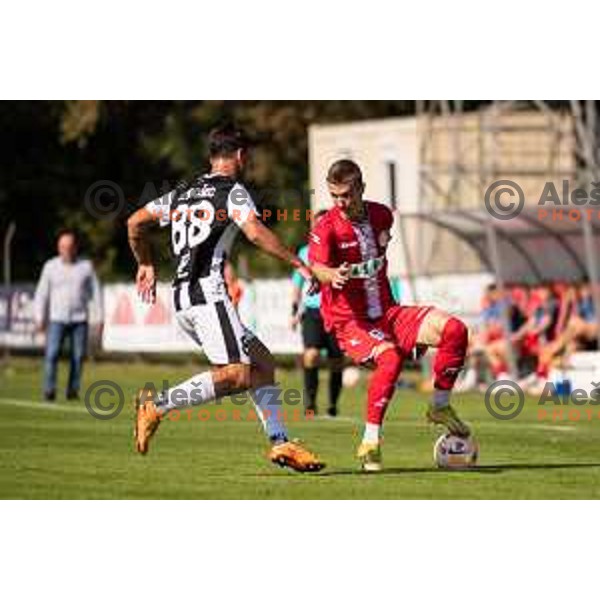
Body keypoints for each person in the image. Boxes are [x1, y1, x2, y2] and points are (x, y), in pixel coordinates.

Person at [127, 123, 324, 472]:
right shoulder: (232, 191)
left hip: (183, 298)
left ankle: (281, 443)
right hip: (209, 296)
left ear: (210, 156)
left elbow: (135, 222)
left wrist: (145, 262)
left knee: (262, 363)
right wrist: (300, 263)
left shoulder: (182, 193)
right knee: (236, 374)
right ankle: (157, 405)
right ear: (240, 155)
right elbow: (255, 232)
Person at [308, 159, 471, 472]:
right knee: (391, 357)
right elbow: (316, 267)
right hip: (350, 321)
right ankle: (371, 441)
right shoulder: (326, 227)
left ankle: (439, 406)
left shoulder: (382, 215)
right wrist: (331, 275)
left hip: (389, 312)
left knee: (454, 330)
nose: (340, 203)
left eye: (347, 195)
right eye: (334, 196)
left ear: (362, 189)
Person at [33, 229, 104, 401]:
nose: (65, 250)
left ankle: (72, 391)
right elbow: (42, 294)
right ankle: (49, 390)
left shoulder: (85, 267)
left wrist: (99, 318)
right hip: (57, 319)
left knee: (78, 356)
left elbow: (96, 293)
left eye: (69, 246)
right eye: (62, 246)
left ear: (75, 248)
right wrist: (38, 317)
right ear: (58, 248)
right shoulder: (50, 266)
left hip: (79, 319)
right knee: (52, 354)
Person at [290, 210, 344, 417]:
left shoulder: (340, 250)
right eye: (318, 224)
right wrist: (294, 311)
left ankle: (332, 406)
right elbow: (297, 284)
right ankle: (310, 404)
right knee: (311, 356)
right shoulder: (305, 252)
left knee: (336, 360)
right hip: (312, 312)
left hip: (336, 311)